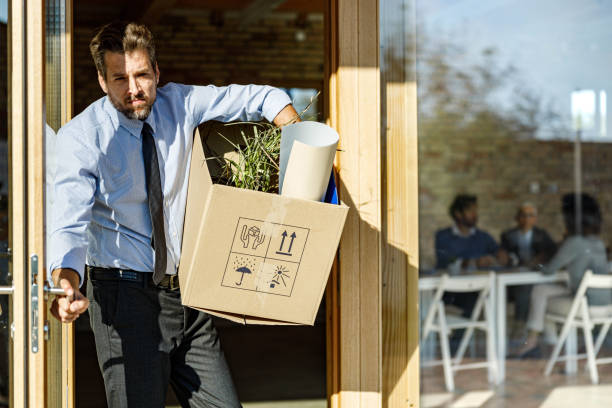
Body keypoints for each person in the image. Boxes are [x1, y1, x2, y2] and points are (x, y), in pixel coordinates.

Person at [48, 21, 299, 407]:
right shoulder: (81, 139)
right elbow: (69, 222)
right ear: (101, 80)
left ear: (157, 72)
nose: (133, 89)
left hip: (188, 293)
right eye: (119, 78)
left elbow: (262, 97)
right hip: (123, 297)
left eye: (142, 75)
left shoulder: (180, 103)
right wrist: (66, 280)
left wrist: (300, 143)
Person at [514, 193, 612, 358]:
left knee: (541, 300)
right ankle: (553, 348)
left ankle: (540, 344)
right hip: (606, 305)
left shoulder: (574, 242)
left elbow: (548, 270)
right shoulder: (598, 242)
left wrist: (535, 264)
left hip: (584, 305)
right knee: (541, 291)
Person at [435, 194, 507, 316]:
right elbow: (446, 260)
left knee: (500, 293)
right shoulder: (443, 236)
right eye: (470, 211)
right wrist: (472, 262)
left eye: (476, 211)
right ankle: (462, 334)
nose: (475, 215)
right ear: (458, 213)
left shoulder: (483, 236)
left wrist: (503, 256)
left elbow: (498, 252)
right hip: (453, 289)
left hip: (480, 287)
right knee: (473, 301)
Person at [500, 203, 557, 324]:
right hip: (514, 275)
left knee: (526, 289)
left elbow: (552, 252)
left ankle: (520, 324)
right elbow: (504, 255)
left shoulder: (542, 235)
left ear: (535, 218)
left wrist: (540, 259)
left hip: (536, 275)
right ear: (517, 218)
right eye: (523, 215)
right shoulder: (508, 235)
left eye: (531, 215)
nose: (527, 219)